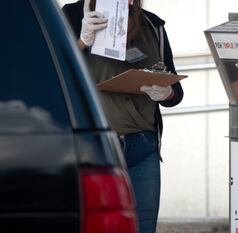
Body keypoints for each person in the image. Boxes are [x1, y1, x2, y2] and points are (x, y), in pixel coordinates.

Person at [62, 1, 184, 232]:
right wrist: (81, 42)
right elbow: (55, 69)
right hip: (96, 148)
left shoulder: (152, 25)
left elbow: (176, 90)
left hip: (144, 147)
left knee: (143, 227)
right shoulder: (75, 14)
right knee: (98, 226)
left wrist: (167, 92)